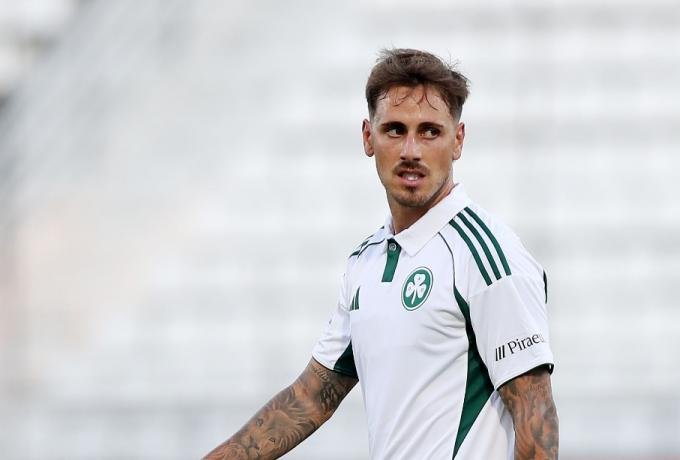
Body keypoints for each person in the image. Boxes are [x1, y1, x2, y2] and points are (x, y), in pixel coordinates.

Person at [204, 48, 558, 460]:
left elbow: (536, 415)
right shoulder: (366, 261)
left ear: (458, 141)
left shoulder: (487, 257)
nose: (411, 150)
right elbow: (311, 397)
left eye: (430, 132)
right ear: (368, 137)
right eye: (394, 130)